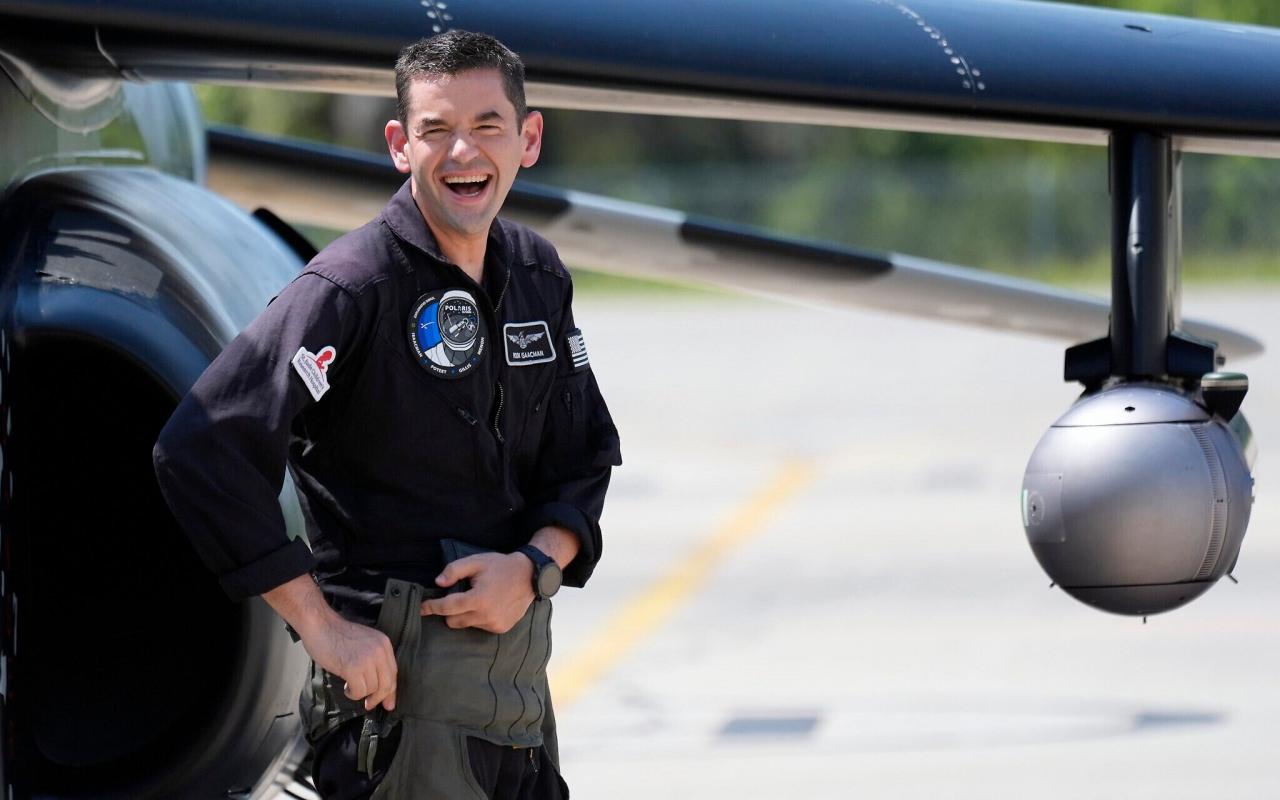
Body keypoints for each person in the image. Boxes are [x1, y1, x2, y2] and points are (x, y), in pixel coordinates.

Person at [153, 30, 621, 799]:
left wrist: (533, 568)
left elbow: (584, 456)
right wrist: (322, 627)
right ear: (401, 145)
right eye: (437, 130)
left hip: (518, 709)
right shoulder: (352, 286)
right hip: (396, 720)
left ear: (528, 139)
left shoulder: (538, 275)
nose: (463, 152)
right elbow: (204, 446)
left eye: (487, 126)